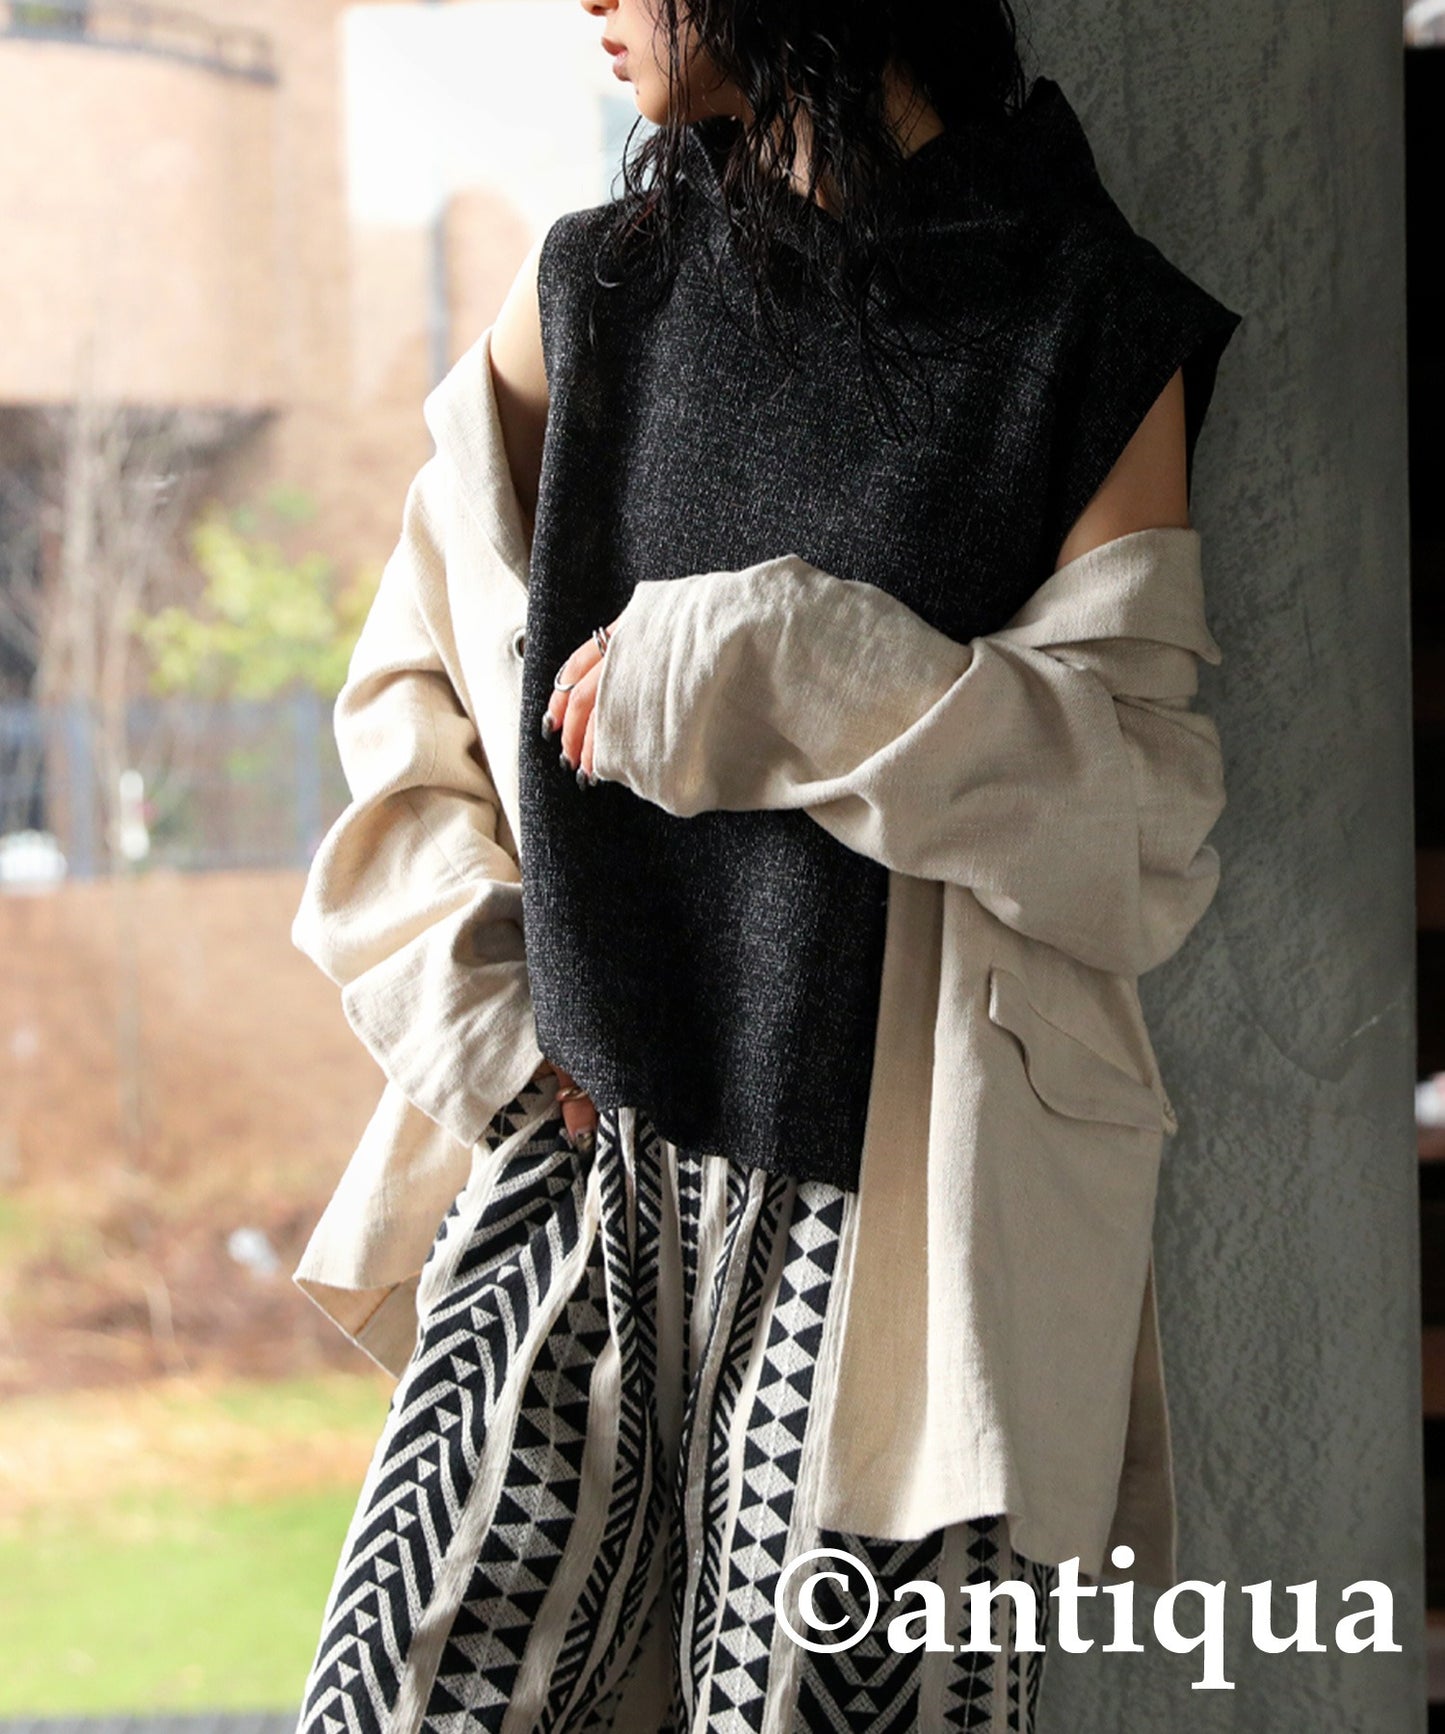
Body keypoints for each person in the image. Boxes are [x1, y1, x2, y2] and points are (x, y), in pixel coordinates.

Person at [291, 0, 1243, 1728]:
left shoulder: (1083, 325)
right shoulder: (601, 288)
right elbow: (406, 682)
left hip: (890, 1250)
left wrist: (795, 666)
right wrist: (491, 1024)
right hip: (577, 1188)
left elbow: (1133, 831)